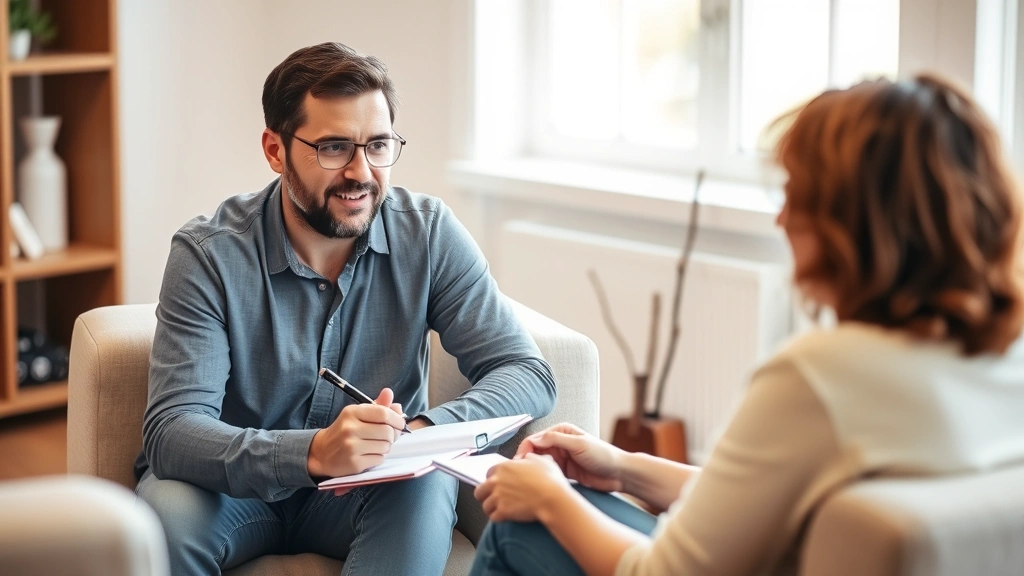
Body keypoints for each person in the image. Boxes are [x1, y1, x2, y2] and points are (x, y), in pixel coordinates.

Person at [468, 73, 1024, 576]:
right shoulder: (1002, 354)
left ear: (850, 224)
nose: (781, 219)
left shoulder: (822, 376)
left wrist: (548, 498)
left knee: (522, 528)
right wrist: (624, 467)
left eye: (795, 195)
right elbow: (760, 506)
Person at [135, 42, 556, 576]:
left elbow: (526, 371)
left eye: (377, 145)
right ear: (275, 150)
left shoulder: (428, 234)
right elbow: (172, 430)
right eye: (334, 148)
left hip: (366, 491)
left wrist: (422, 430)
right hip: (231, 493)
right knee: (165, 513)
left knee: (426, 481)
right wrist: (312, 453)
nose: (361, 172)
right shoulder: (208, 254)